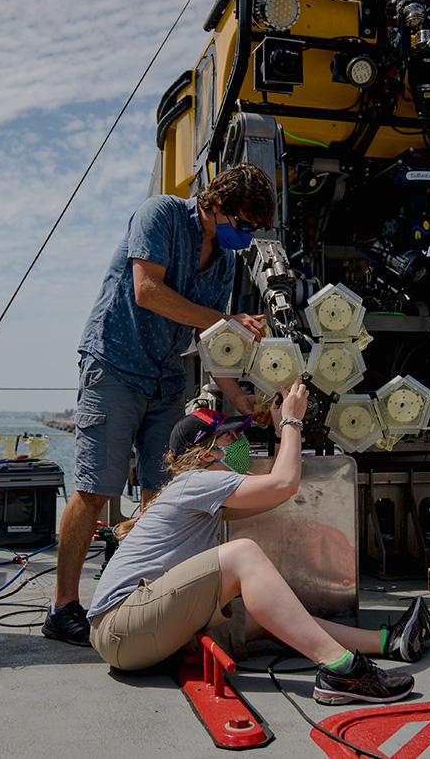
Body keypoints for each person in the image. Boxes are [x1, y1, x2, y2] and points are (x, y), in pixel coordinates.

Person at [44, 163, 278, 646]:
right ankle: (63, 606)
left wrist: (239, 398)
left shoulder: (226, 262)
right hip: (114, 364)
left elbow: (212, 339)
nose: (247, 237)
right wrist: (228, 318)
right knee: (95, 488)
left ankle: (151, 599)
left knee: (163, 494)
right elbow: (146, 291)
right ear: (217, 203)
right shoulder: (161, 214)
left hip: (165, 375)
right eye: (245, 224)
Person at [88, 379, 430, 705]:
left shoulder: (201, 497)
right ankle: (341, 670)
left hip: (134, 637)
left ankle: (388, 643)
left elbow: (276, 492)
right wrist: (294, 420)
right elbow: (283, 485)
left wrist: (282, 428)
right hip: (123, 627)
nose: (240, 444)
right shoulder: (194, 482)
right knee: (243, 555)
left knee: (262, 615)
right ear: (206, 454)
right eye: (229, 440)